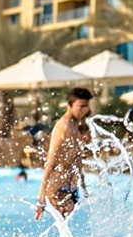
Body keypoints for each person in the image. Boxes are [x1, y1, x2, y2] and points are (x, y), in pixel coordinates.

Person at [35, 87, 91, 220]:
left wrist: (83, 187)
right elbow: (51, 161)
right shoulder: (64, 127)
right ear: (69, 105)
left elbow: (76, 160)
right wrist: (41, 199)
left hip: (70, 188)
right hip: (57, 189)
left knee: (69, 232)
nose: (84, 110)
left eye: (86, 106)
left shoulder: (75, 125)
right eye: (80, 106)